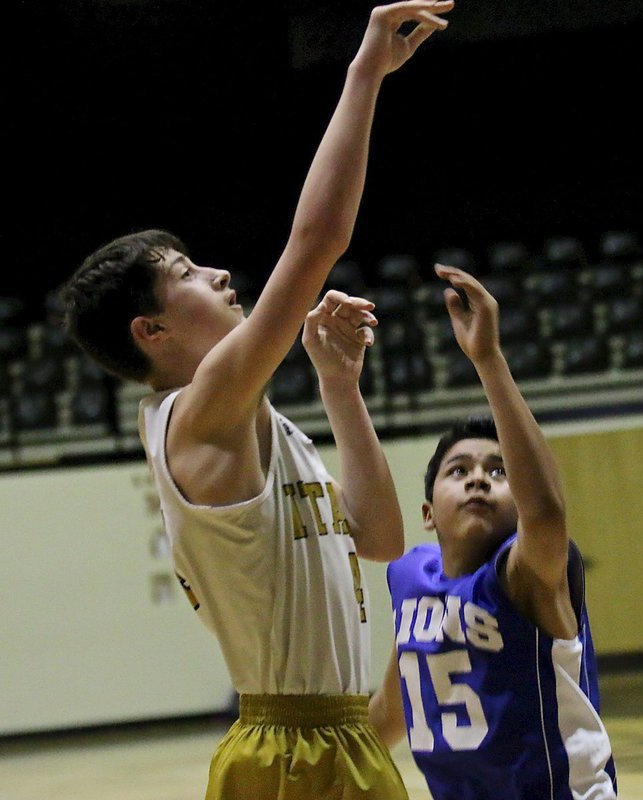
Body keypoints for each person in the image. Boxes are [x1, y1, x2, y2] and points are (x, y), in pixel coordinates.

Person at [62, 3, 455, 798]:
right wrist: (362, 76)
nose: (215, 274)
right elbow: (316, 242)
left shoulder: (258, 427)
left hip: (342, 734)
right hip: (288, 750)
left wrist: (340, 386)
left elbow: (379, 537)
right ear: (152, 330)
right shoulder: (195, 414)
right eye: (185, 273)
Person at [369, 264, 617, 799]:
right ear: (429, 512)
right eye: (459, 471)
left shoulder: (525, 573)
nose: (480, 477)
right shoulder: (411, 578)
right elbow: (390, 714)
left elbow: (546, 513)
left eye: (498, 472)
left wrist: (488, 361)